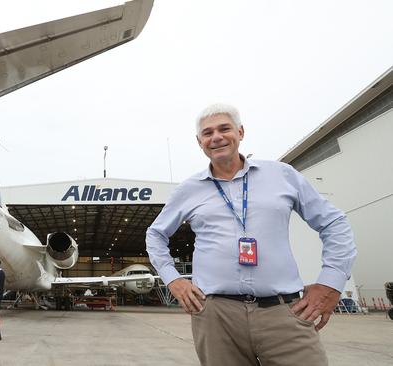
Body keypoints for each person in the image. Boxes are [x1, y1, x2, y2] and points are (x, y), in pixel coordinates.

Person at [146, 104, 357, 366]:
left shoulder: (282, 175)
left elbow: (334, 221)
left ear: (241, 132)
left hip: (283, 312)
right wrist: (172, 279)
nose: (216, 137)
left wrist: (331, 282)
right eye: (207, 133)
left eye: (224, 128)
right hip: (215, 315)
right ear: (199, 141)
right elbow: (155, 234)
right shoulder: (188, 190)